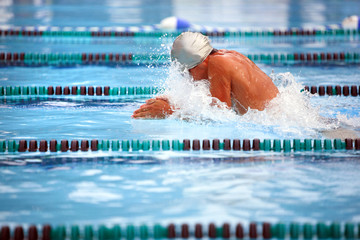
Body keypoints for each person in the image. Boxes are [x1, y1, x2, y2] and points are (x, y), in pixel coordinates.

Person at [132, 32, 279, 119]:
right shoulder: (226, 56)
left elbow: (219, 117)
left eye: (188, 71)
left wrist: (168, 111)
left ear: (200, 63)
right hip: (280, 114)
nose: (189, 78)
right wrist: (173, 100)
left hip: (276, 122)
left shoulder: (219, 64)